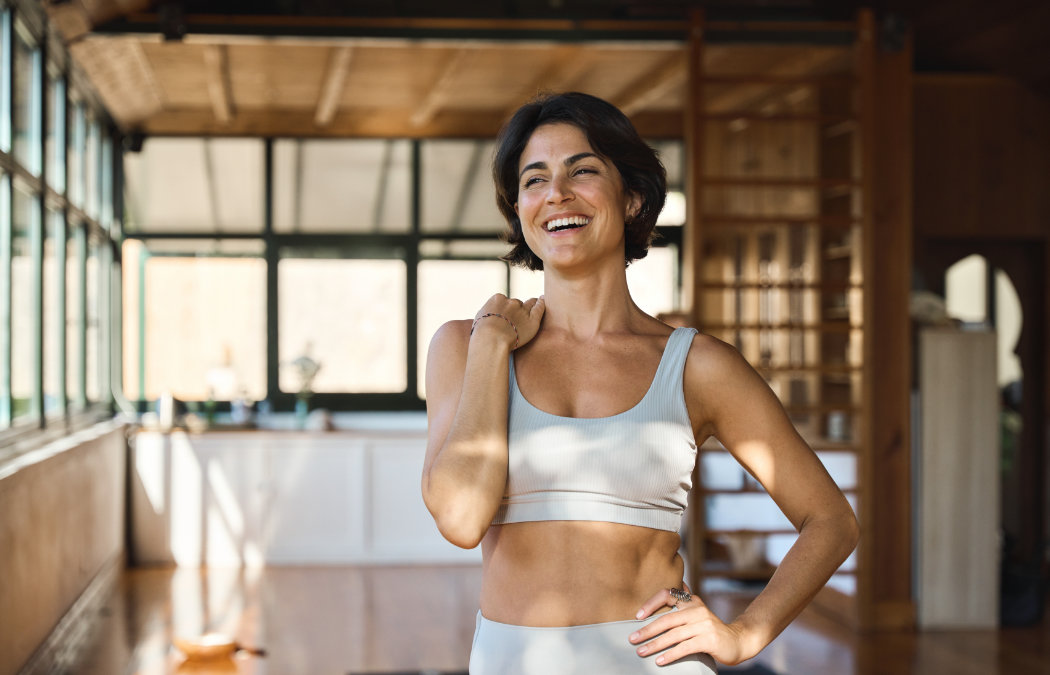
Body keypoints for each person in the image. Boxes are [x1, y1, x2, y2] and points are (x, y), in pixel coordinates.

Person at [422, 91, 859, 674]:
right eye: (534, 180)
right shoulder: (465, 347)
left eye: (583, 170)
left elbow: (830, 520)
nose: (557, 193)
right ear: (520, 208)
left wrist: (743, 635)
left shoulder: (698, 366)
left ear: (631, 198)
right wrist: (490, 348)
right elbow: (460, 520)